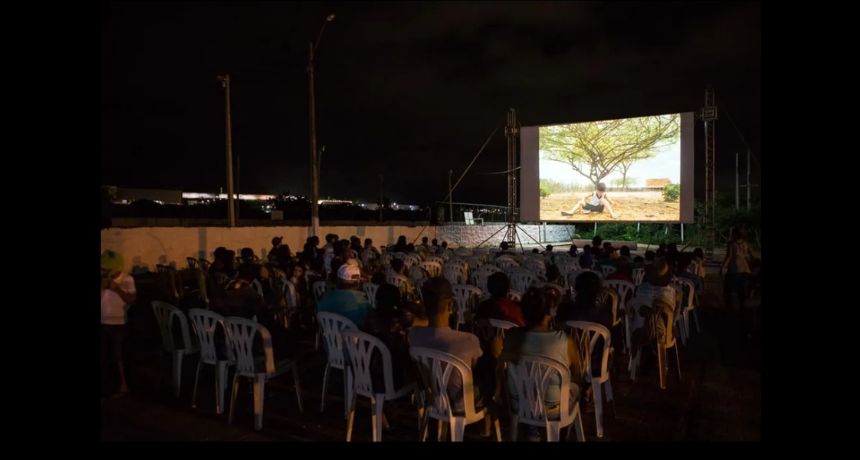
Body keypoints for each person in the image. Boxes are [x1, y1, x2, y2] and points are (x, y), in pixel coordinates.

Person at [499, 287, 583, 441]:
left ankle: (531, 429)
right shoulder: (565, 341)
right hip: (554, 409)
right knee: (576, 387)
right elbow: (577, 373)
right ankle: (560, 432)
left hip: (519, 404)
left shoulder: (511, 336)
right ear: (549, 313)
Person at [408, 277, 489, 411]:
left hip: (432, 400)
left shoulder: (414, 335)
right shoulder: (468, 340)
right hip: (461, 404)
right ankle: (486, 426)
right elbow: (475, 369)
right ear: (451, 306)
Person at [101, 250, 136, 397]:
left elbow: (131, 300)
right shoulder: (102, 280)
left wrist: (116, 288)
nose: (103, 271)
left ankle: (123, 385)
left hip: (119, 323)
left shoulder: (127, 279)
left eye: (105, 268)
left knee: (118, 355)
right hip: (103, 322)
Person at [317, 263, 371, 328]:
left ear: (338, 280)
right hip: (358, 336)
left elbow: (319, 314)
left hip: (332, 337)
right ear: (358, 282)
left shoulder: (326, 297)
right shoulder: (362, 300)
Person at [721, 226, 753, 313]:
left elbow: (729, 257)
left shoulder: (732, 244)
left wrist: (723, 267)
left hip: (734, 270)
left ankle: (730, 309)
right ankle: (742, 309)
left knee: (729, 290)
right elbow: (750, 257)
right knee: (741, 291)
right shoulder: (746, 244)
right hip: (745, 270)